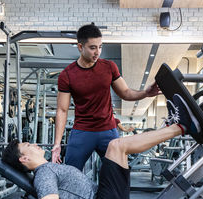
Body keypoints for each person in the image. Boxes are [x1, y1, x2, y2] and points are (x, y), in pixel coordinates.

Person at [2, 94, 201, 199]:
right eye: (28, 145)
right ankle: (180, 126)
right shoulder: (43, 176)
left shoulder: (48, 169)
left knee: (117, 147)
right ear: (24, 158)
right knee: (116, 146)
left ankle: (174, 125)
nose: (35, 144)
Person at [51, 23, 160, 170]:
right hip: (82, 131)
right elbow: (62, 110)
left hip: (107, 130)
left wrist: (146, 93)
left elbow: (125, 92)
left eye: (100, 47)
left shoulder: (109, 67)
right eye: (92, 47)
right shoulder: (67, 75)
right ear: (80, 47)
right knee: (70, 173)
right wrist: (57, 144)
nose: (98, 52)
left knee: (118, 172)